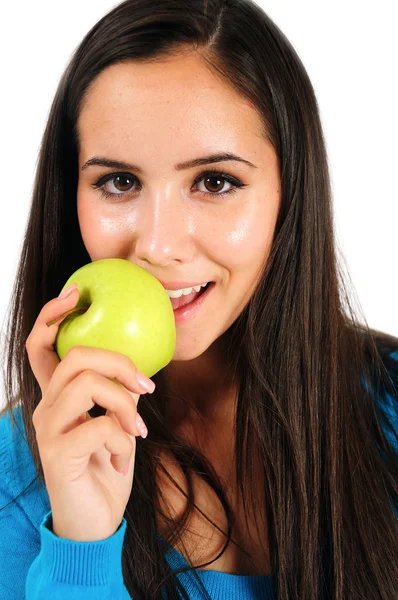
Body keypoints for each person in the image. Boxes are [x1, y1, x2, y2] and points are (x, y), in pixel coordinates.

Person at [0, 0, 397, 598]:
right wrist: (81, 545)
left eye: (215, 182)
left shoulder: (387, 410)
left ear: (291, 194)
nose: (157, 246)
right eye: (119, 182)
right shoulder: (22, 480)